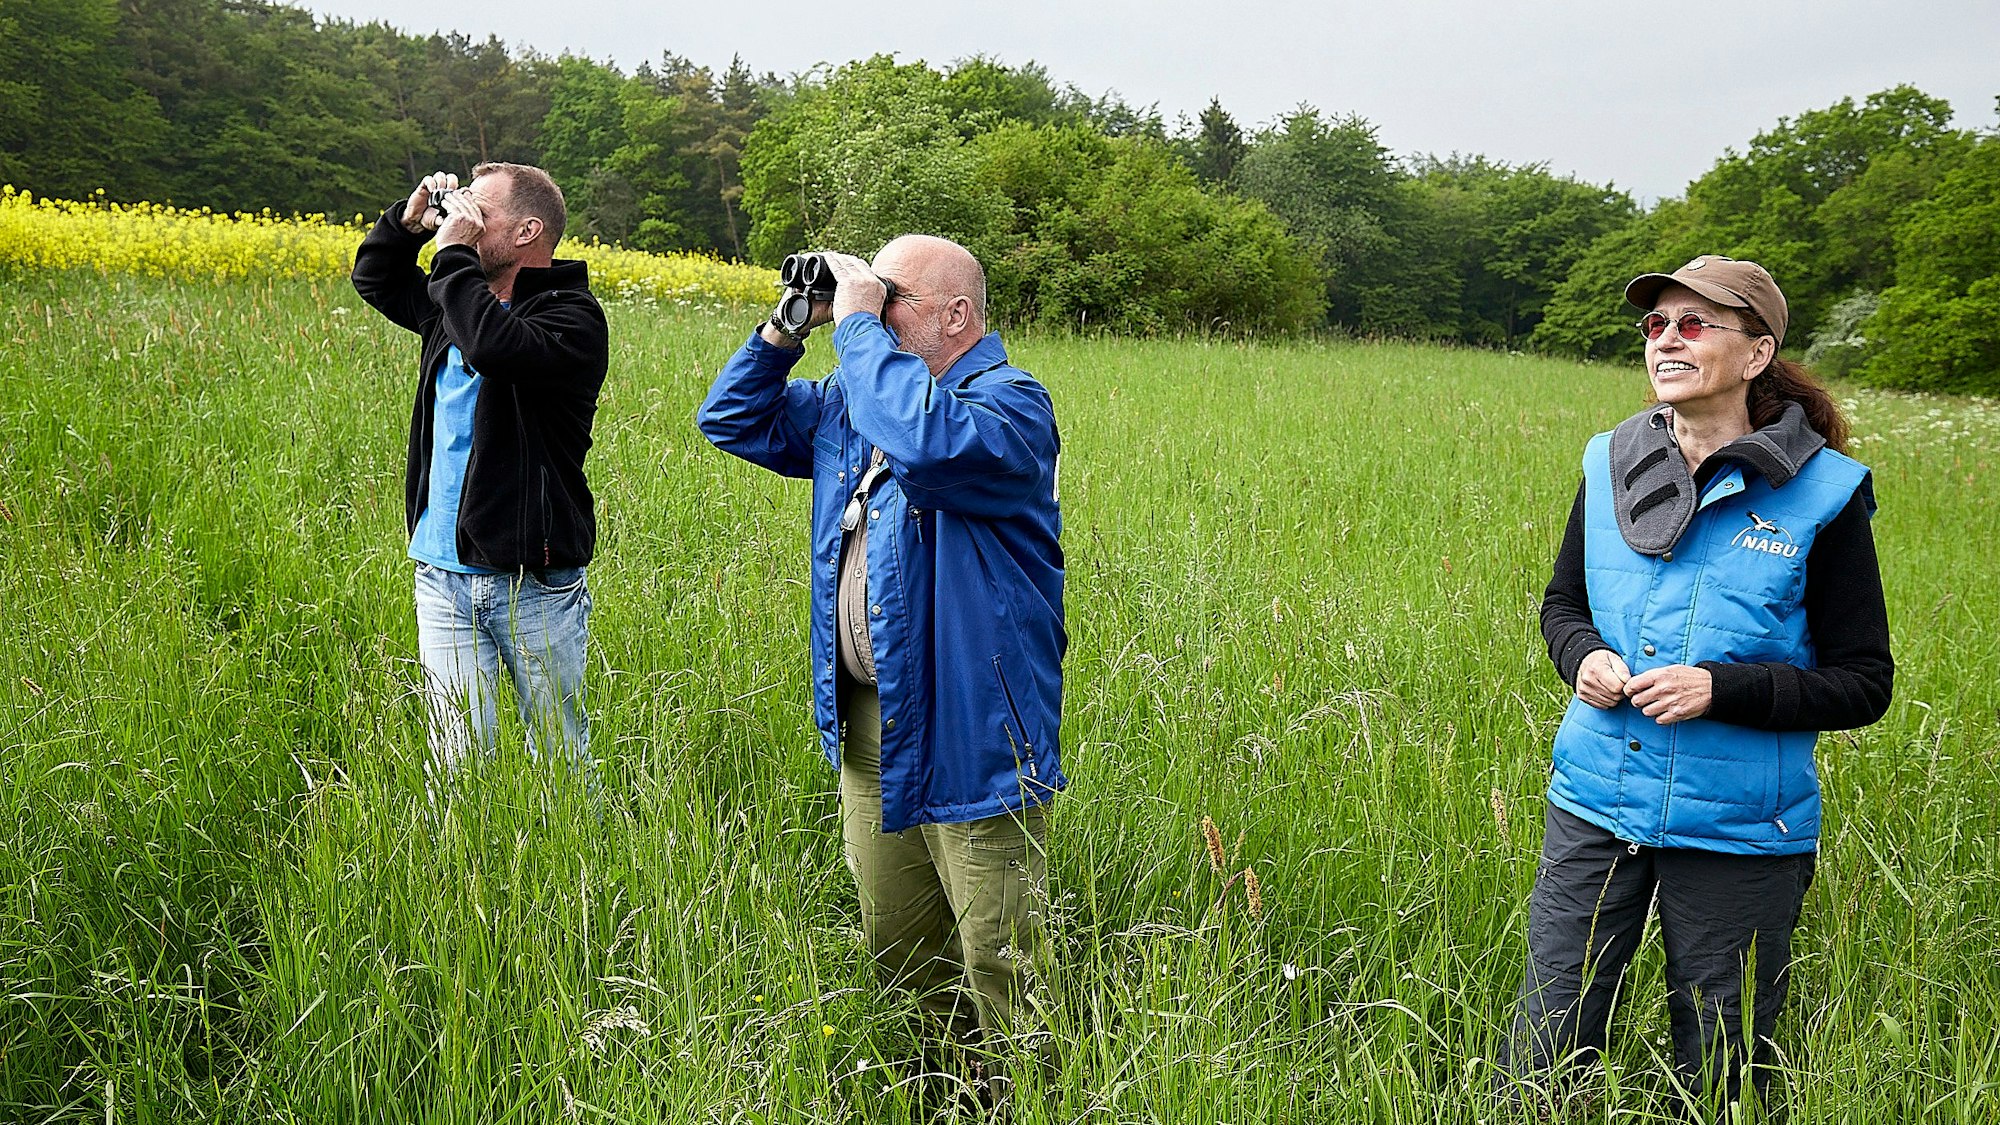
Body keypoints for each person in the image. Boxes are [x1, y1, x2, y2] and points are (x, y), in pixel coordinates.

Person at [1502, 255, 1894, 1116]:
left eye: (1693, 323)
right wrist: (1582, 657)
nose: (1667, 339)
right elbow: (1563, 603)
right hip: (1595, 803)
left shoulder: (1823, 495)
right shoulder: (1611, 461)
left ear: (1755, 355)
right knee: (1544, 1046)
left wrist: (1723, 689)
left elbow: (1864, 683)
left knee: (1721, 1070)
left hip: (1741, 830)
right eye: (1655, 325)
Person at [696, 236, 1065, 1094]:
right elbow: (732, 420)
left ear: (957, 315)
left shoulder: (1009, 407)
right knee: (901, 943)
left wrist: (857, 328)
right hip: (873, 722)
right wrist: (788, 329)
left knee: (1000, 954)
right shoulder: (857, 402)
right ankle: (949, 1094)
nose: (869, 305)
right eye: (868, 290)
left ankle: (1035, 1098)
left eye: (889, 293)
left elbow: (929, 451)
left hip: (976, 723)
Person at [351, 163, 608, 796]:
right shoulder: (455, 301)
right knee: (458, 761)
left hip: (533, 582)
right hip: (442, 573)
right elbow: (375, 278)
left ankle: (576, 872)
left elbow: (496, 347)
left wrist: (453, 257)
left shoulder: (573, 320)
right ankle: (468, 874)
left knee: (563, 759)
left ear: (528, 230)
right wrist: (409, 224)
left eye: (479, 213)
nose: (462, 220)